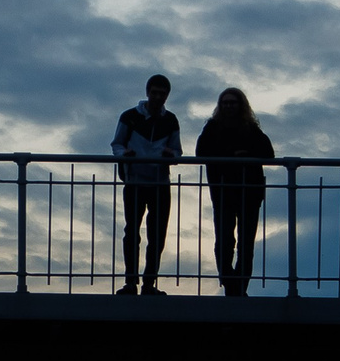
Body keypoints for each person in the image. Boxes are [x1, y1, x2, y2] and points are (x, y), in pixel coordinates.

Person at [196, 86, 274, 296]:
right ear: (220, 106)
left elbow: (269, 153)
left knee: (246, 244)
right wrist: (232, 155)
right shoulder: (213, 128)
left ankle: (239, 287)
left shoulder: (250, 128)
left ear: (240, 105)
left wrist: (246, 154)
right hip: (223, 192)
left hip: (250, 192)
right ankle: (230, 282)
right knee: (224, 241)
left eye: (233, 102)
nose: (229, 106)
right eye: (225, 103)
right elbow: (200, 152)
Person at [109, 75, 182, 295]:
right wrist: (124, 155)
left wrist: (171, 155)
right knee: (132, 231)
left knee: (157, 235)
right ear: (147, 92)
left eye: (162, 93)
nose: (158, 97)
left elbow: (177, 151)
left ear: (167, 96)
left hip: (160, 183)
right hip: (135, 182)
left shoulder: (171, 120)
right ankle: (131, 282)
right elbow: (117, 144)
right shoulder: (129, 116)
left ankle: (149, 283)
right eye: (155, 92)